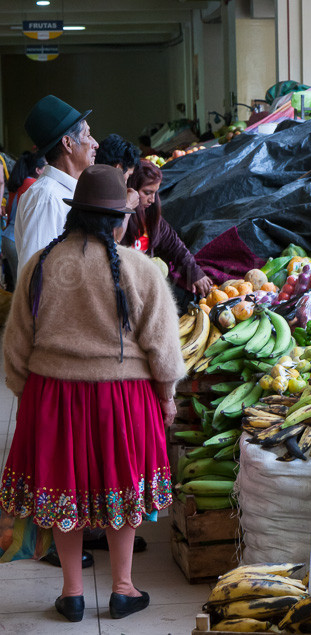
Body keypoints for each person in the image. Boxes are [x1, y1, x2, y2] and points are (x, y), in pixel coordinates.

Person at [0, 165, 185, 622]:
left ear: (76, 215)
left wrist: (27, 394)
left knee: (68, 492)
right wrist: (167, 396)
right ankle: (123, 588)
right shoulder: (138, 269)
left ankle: (72, 593)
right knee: (121, 489)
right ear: (119, 220)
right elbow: (162, 346)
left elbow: (16, 345)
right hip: (122, 401)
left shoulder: (40, 265)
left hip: (53, 396)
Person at [15, 94, 99, 274]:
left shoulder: (68, 192)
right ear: (68, 143)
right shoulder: (46, 198)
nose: (95, 144)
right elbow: (35, 275)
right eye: (88, 135)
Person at [122, 159, 213, 297]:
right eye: (147, 192)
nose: (152, 200)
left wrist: (195, 273)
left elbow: (174, 245)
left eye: (155, 193)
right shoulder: (118, 220)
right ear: (131, 189)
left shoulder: (151, 218)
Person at [2, 150, 47, 287]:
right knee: (22, 285)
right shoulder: (33, 184)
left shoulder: (19, 183)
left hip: (7, 237)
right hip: (15, 240)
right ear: (38, 170)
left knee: (16, 282)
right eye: (45, 166)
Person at [95, 134, 141, 242]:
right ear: (118, 167)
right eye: (128, 175)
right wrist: (128, 206)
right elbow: (113, 240)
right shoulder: (100, 194)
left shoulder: (87, 182)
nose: (126, 182)